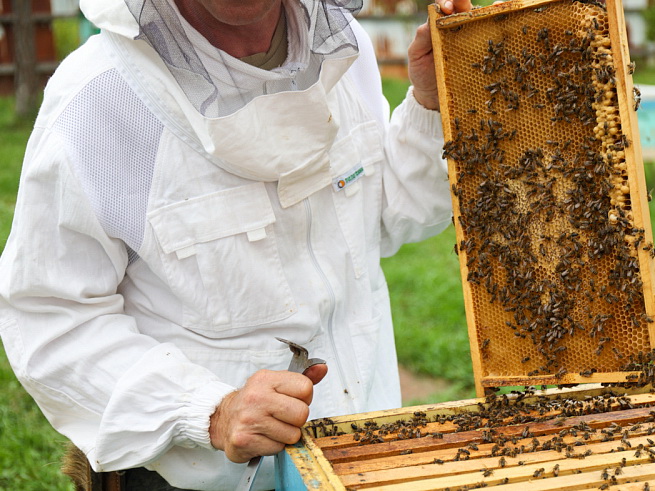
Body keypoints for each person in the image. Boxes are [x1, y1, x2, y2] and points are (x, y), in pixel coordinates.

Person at [0, 0, 472, 489]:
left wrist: (429, 105)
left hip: (362, 455)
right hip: (196, 479)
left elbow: (380, 217)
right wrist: (210, 411)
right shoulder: (99, 98)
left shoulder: (341, 44)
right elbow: (50, 316)